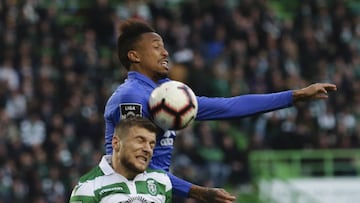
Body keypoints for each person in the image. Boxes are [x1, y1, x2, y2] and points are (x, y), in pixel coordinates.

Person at [104, 19, 337, 202]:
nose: (165, 53)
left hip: (152, 194)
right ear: (134, 56)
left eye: (164, 47)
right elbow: (134, 165)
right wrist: (197, 192)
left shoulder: (168, 94)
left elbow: (229, 106)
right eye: (156, 48)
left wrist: (294, 96)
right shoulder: (131, 97)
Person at [70, 117, 172, 203]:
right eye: (140, 141)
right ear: (116, 143)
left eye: (151, 144)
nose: (147, 149)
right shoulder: (88, 187)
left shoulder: (162, 181)